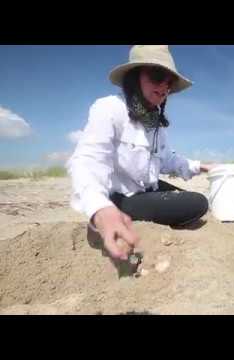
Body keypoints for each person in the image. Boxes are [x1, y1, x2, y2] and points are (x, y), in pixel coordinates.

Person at [67, 45, 213, 261]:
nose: (164, 87)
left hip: (145, 188)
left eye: (169, 83)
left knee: (185, 199)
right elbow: (88, 159)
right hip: (120, 196)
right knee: (198, 203)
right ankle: (123, 215)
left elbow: (167, 159)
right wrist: (100, 209)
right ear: (135, 78)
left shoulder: (156, 124)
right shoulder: (109, 108)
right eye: (156, 76)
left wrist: (202, 166)